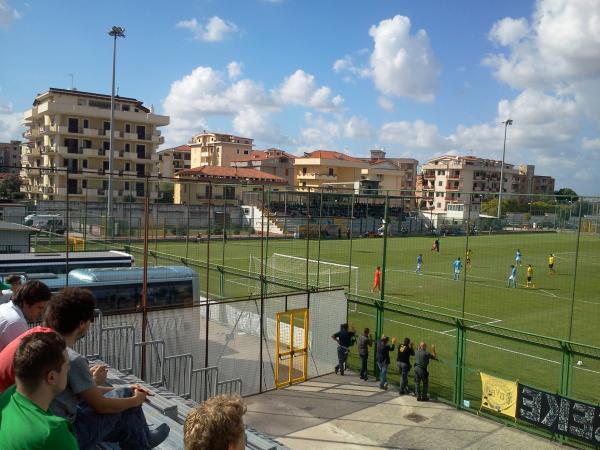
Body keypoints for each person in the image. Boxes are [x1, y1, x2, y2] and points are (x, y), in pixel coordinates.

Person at [44, 287, 170, 450]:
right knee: (125, 398)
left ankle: (142, 439)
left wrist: (125, 389)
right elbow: (101, 406)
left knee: (126, 411)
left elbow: (83, 393)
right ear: (81, 324)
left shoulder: (44, 344)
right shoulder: (72, 359)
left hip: (53, 427)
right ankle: (144, 441)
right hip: (69, 435)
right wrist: (135, 399)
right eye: (90, 320)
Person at [0, 331, 79, 449]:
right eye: (67, 366)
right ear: (51, 377)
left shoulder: (8, 396)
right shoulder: (52, 431)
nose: (69, 369)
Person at [0, 280, 51, 352]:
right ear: (26, 302)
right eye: (40, 307)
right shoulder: (16, 322)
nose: (42, 312)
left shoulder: (5, 307)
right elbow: (21, 359)